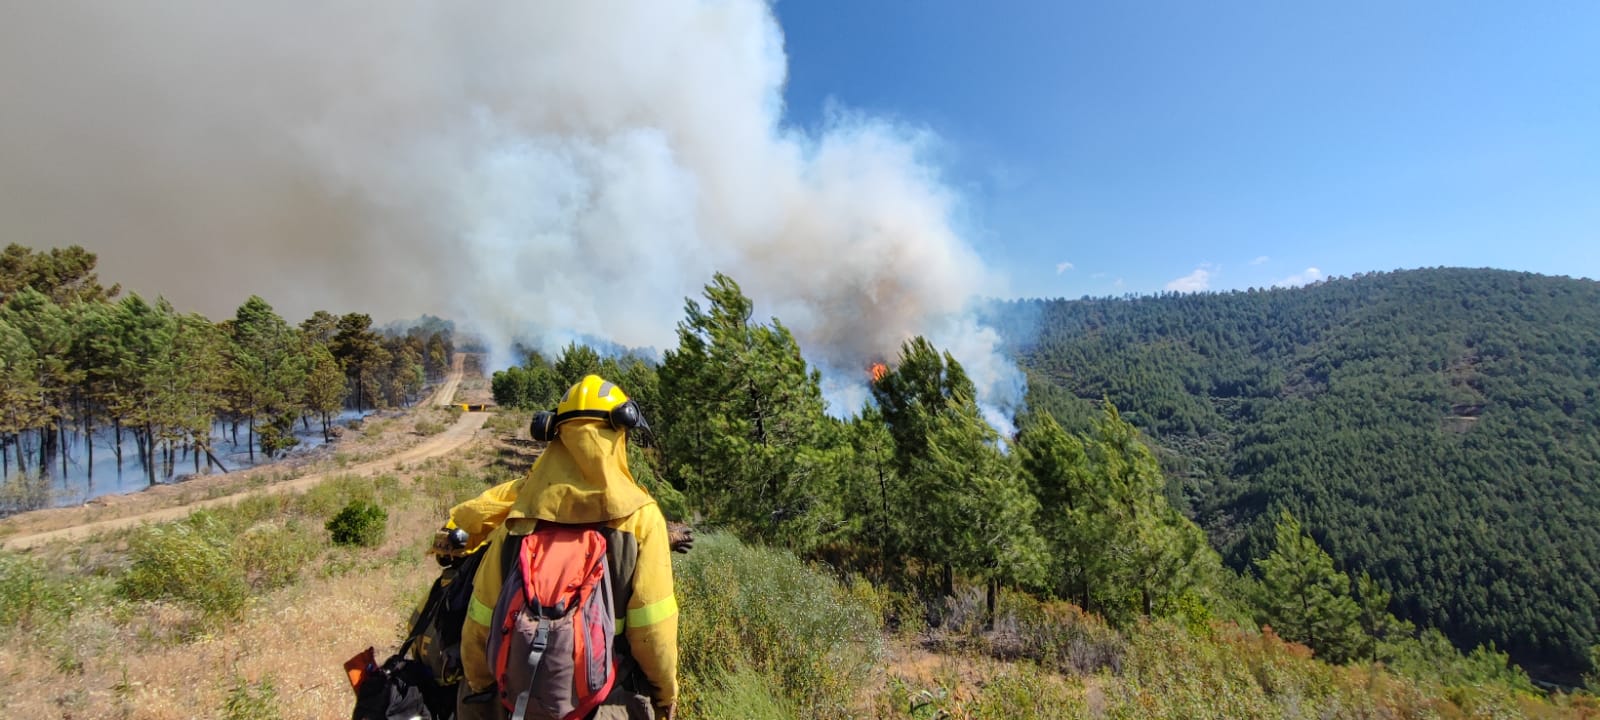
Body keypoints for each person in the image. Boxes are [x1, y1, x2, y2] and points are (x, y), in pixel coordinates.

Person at [457, 375, 679, 720]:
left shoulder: (518, 518)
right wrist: (665, 694)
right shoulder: (641, 519)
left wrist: (481, 684)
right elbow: (653, 631)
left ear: (556, 435)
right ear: (618, 435)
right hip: (607, 697)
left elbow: (481, 619)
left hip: (519, 700)